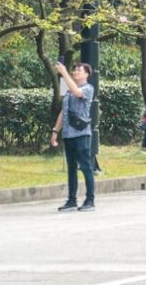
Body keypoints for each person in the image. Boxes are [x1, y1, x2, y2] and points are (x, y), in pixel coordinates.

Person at [50, 62, 96, 212]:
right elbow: (63, 111)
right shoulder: (67, 88)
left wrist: (64, 72)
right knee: (71, 168)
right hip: (68, 134)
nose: (75, 71)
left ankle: (90, 200)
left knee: (85, 167)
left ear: (87, 74)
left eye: (79, 70)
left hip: (81, 134)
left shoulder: (88, 88)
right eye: (74, 69)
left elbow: (77, 92)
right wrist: (55, 131)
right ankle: (71, 200)